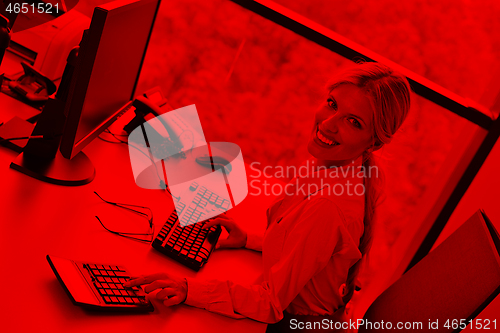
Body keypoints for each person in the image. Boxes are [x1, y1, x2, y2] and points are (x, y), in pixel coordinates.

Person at [124, 62, 411, 328]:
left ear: (373, 143)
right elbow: (307, 249)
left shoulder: (328, 205)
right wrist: (249, 239)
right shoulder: (334, 165)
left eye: (353, 122)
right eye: (332, 104)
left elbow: (270, 303)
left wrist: (188, 288)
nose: (328, 124)